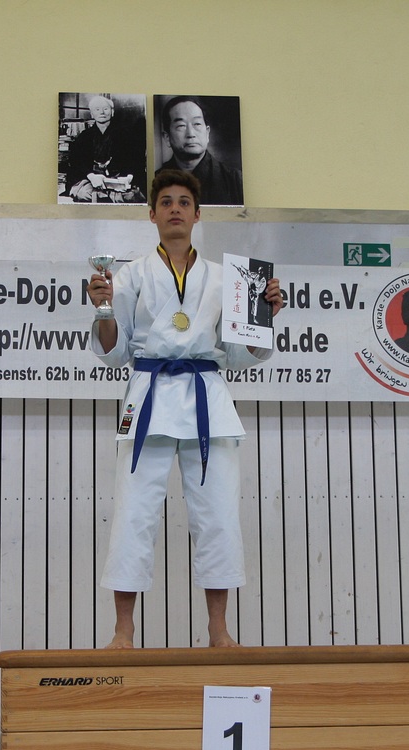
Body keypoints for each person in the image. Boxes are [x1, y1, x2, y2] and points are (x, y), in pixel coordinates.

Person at [86, 168, 282, 649]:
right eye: (166, 202)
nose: (175, 208)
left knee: (217, 514)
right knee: (134, 513)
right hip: (149, 393)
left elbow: (238, 355)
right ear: (152, 215)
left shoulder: (228, 279)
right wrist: (102, 309)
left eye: (184, 202)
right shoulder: (128, 275)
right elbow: (114, 351)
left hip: (206, 394)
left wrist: (264, 318)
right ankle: (123, 631)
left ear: (197, 215)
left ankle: (219, 629)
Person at [157, 97, 244, 207]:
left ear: (207, 133)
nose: (191, 134)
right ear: (167, 137)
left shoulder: (235, 181)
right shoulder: (156, 180)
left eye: (197, 124)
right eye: (181, 126)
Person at [64, 94, 146, 203]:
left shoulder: (126, 134)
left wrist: (128, 177)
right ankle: (108, 196)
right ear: (92, 114)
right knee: (83, 193)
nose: (102, 112)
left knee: (131, 196)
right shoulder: (84, 136)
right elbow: (77, 161)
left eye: (106, 109)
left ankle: (107, 196)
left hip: (119, 179)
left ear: (112, 112)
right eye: (97, 109)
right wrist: (91, 176)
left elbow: (136, 159)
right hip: (92, 180)